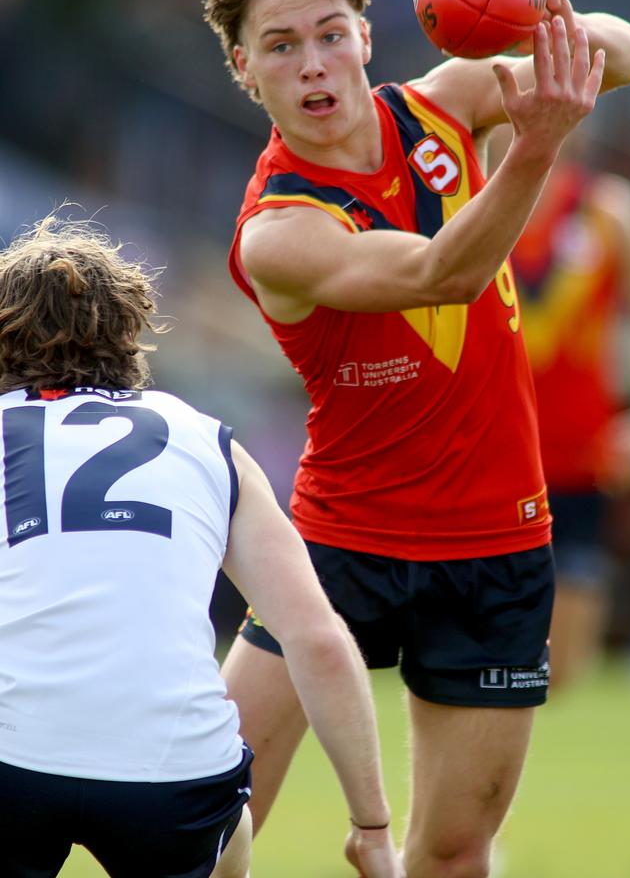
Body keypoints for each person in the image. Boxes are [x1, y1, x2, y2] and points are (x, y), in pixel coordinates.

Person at [203, 0, 630, 877]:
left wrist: (543, 22)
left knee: (452, 854)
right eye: (281, 47)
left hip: (497, 540)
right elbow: (445, 272)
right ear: (245, 70)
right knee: (207, 827)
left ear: (369, 33)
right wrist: (537, 143)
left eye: (329, 33)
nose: (314, 64)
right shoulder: (278, 230)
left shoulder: (448, 102)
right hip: (338, 546)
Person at [0, 214, 402, 878]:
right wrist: (372, 827)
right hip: (171, 774)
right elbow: (319, 640)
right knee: (231, 834)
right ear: (130, 331)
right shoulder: (205, 440)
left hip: (12, 763)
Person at [503, 129, 630, 688]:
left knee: (563, 672)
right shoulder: (476, 202)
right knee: (499, 655)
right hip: (494, 448)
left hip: (581, 450)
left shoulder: (607, 210)